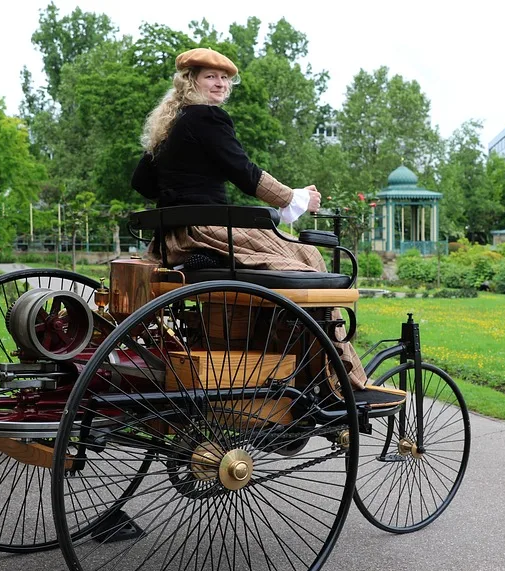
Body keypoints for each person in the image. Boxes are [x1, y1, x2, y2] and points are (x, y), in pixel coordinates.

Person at [131, 47, 369, 391]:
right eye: (210, 76)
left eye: (225, 78)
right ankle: (339, 377)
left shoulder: (171, 124)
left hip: (174, 238)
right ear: (190, 80)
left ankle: (282, 356)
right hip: (208, 232)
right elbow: (245, 173)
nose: (220, 84)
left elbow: (141, 182)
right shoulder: (207, 118)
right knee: (310, 259)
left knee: (294, 259)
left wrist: (179, 193)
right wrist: (296, 198)